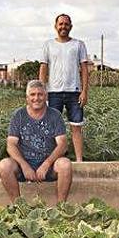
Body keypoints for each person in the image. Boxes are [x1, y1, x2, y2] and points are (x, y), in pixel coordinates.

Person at [0, 80, 73, 202]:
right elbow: (11, 144)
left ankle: (61, 207)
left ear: (46, 96)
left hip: (49, 166)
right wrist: (24, 165)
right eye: (32, 95)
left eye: (40, 94)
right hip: (24, 166)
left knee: (65, 164)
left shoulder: (55, 115)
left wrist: (46, 164)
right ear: (27, 98)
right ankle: (18, 207)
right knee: (5, 165)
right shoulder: (19, 115)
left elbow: (62, 144)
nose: (36, 98)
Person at [39, 14, 90, 162]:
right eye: (60, 24)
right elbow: (43, 68)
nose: (63, 27)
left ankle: (79, 161)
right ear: (55, 26)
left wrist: (84, 91)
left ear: (71, 26)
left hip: (74, 93)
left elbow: (84, 69)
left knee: (76, 127)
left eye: (66, 24)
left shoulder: (79, 44)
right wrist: (43, 91)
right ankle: (53, 160)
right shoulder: (48, 45)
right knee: (52, 128)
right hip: (53, 93)